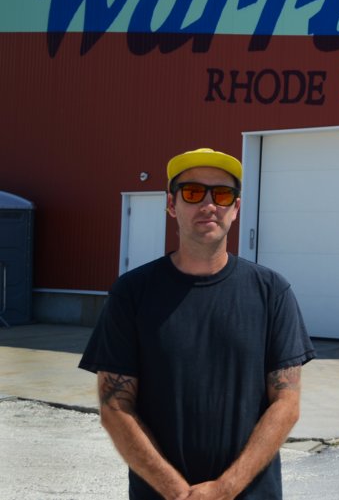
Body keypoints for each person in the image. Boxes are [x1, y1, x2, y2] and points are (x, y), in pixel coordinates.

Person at [79, 147, 315, 499]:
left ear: (236, 208)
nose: (209, 205)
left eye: (222, 195)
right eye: (192, 192)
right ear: (172, 205)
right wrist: (177, 492)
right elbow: (115, 406)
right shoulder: (132, 294)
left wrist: (225, 489)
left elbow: (286, 405)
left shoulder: (271, 293)